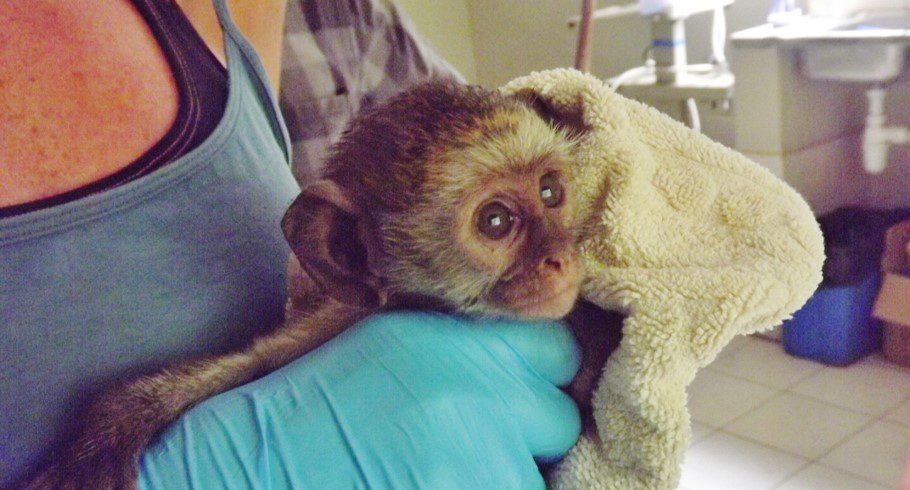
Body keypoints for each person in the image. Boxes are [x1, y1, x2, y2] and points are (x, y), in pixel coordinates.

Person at [0, 0, 581, 487]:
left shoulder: (329, 16)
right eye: (498, 223)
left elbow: (476, 130)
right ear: (349, 255)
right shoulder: (356, 251)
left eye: (552, 191)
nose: (560, 254)